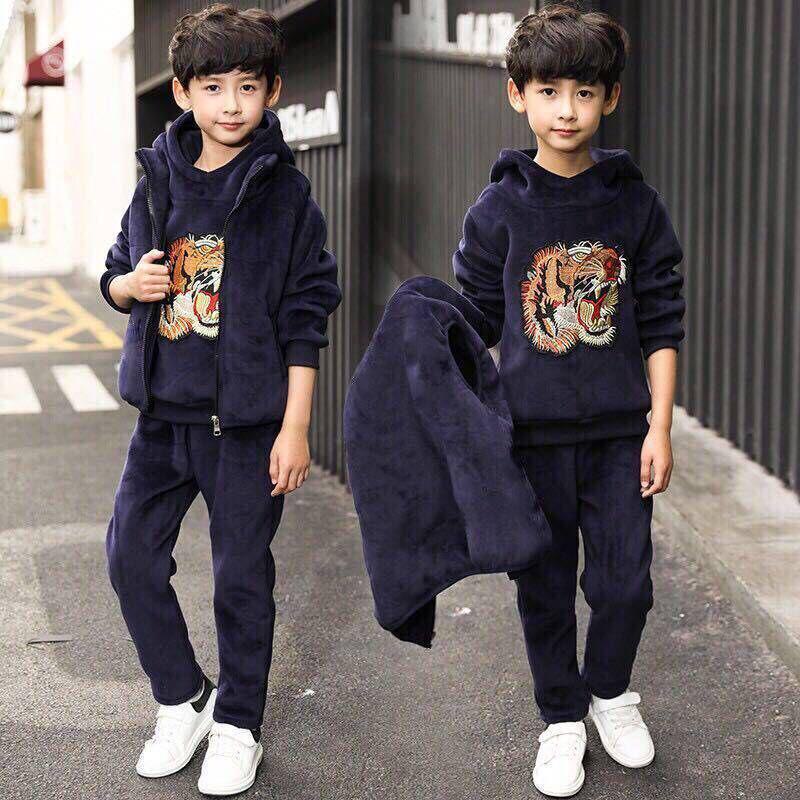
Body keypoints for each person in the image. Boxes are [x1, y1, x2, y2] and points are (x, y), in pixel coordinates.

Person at [99, 4, 341, 795]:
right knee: (130, 556)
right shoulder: (157, 180)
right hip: (162, 421)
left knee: (240, 578)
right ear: (182, 93)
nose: (230, 104)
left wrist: (296, 427)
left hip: (247, 427)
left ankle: (238, 723)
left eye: (247, 86)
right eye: (212, 87)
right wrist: (127, 286)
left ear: (272, 91)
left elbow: (306, 317)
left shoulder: (287, 196)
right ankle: (184, 699)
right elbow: (114, 272)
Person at [452, 2, 685, 796]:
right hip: (531, 439)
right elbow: (474, 321)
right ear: (518, 94)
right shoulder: (498, 210)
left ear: (610, 98)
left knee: (625, 584)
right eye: (549, 91)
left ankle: (611, 693)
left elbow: (661, 319)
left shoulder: (634, 205)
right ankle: (560, 717)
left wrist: (660, 426)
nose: (567, 110)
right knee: (543, 588)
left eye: (585, 93)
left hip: (620, 436)